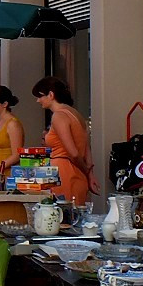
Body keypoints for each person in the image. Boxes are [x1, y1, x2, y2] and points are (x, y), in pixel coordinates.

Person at [33, 76, 99, 206]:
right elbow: (87, 148)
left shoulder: (59, 116)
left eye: (40, 96)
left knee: (62, 218)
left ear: (51, 95)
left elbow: (73, 153)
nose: (38, 100)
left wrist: (86, 170)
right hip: (77, 172)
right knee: (76, 216)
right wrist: (89, 173)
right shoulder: (76, 114)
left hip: (64, 172)